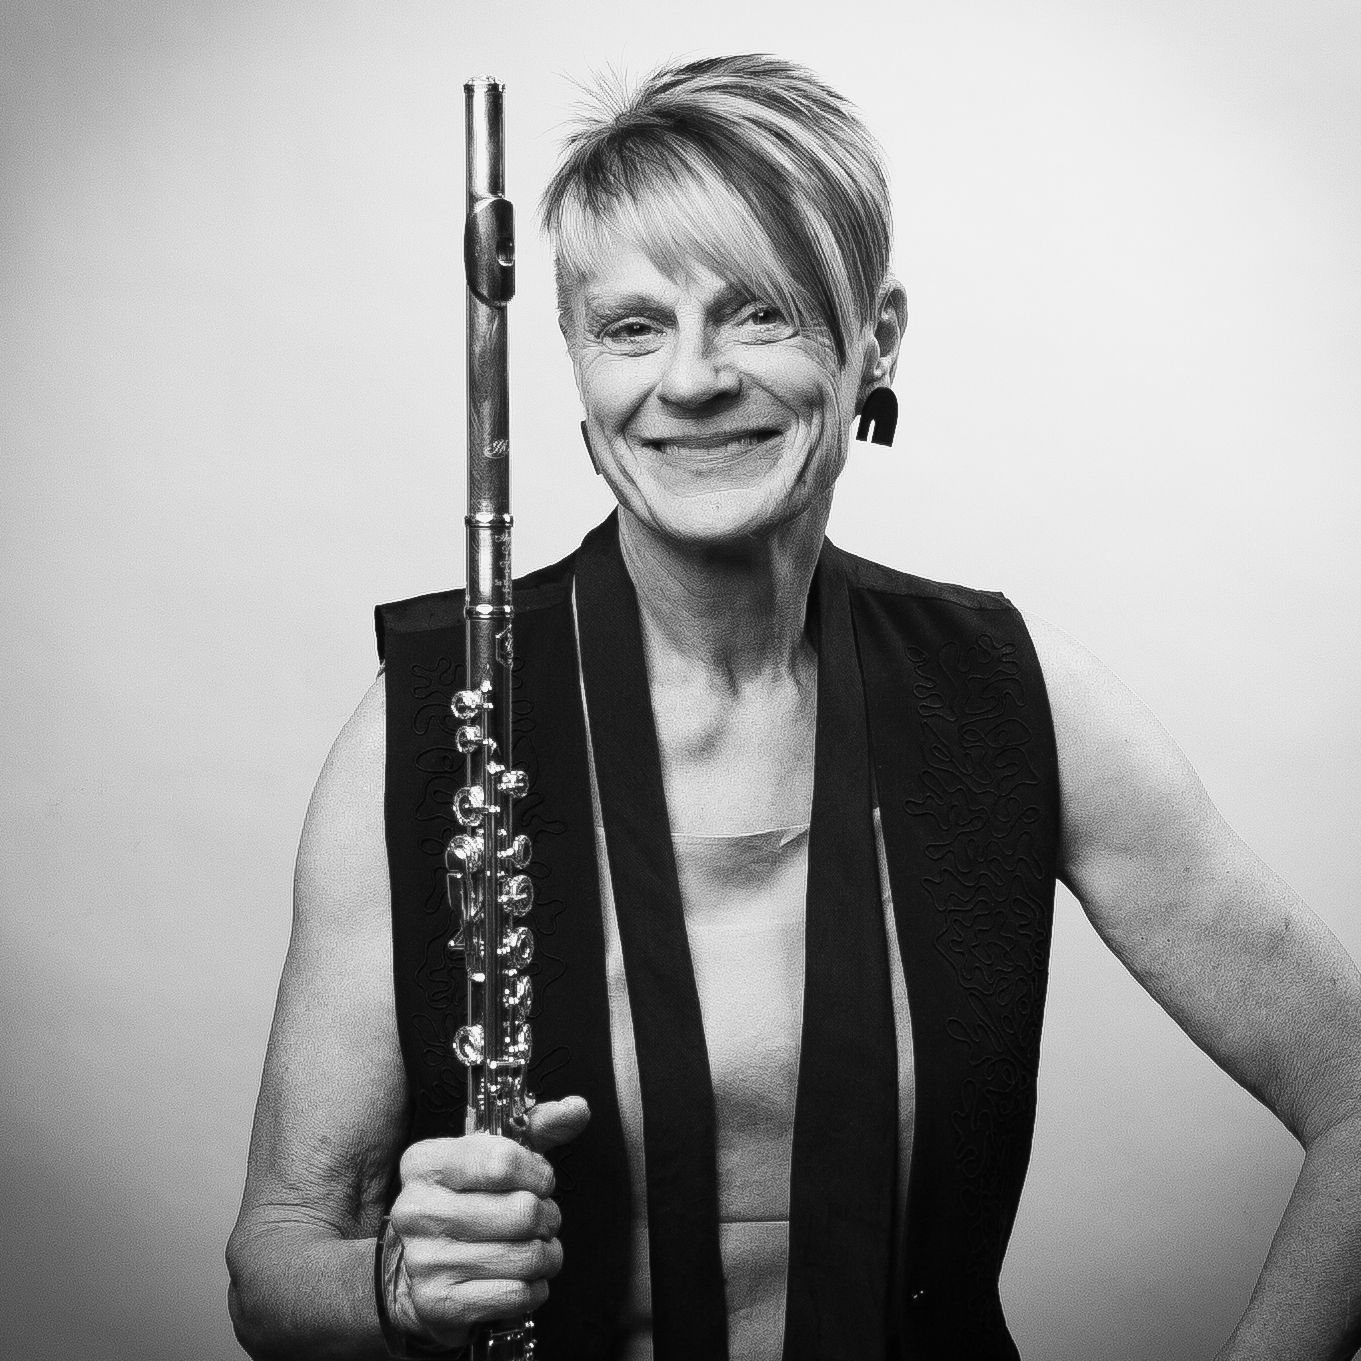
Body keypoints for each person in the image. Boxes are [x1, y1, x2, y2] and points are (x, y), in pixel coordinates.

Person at [226, 54, 1361, 1360]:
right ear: (575, 362)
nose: (692, 378)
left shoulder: (1011, 694)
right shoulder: (426, 726)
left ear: (873, 338)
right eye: (631, 325)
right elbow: (274, 1261)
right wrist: (391, 1289)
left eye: (758, 311)